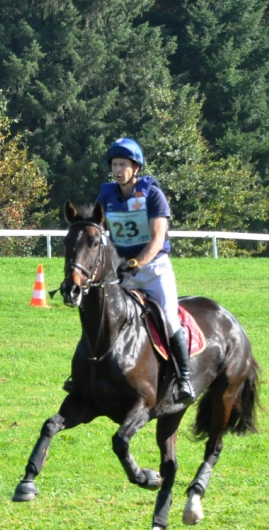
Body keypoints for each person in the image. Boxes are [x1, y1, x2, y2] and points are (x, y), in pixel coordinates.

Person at [98, 137, 194, 403]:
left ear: (136, 168)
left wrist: (135, 264)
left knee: (170, 318)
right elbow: (100, 231)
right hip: (122, 272)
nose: (118, 170)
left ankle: (184, 378)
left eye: (123, 165)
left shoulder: (152, 194)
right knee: (104, 315)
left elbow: (157, 239)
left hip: (154, 270)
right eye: (115, 165)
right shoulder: (106, 195)